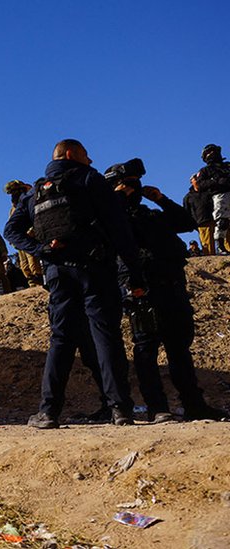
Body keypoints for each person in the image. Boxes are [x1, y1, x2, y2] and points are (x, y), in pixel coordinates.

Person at [4, 139, 144, 429]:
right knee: (105, 336)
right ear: (70, 155)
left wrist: (41, 250)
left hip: (57, 273)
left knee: (61, 340)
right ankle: (120, 409)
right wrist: (134, 272)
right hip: (94, 269)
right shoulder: (89, 179)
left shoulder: (35, 192)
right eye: (85, 155)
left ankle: (48, 412)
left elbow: (11, 230)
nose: (91, 160)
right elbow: (119, 229)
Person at [106, 160, 228, 422]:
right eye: (127, 184)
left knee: (179, 349)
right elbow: (110, 230)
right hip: (141, 290)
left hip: (172, 287)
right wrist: (117, 198)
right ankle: (157, 407)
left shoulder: (150, 215)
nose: (132, 189)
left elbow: (187, 222)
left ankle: (194, 404)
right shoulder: (111, 218)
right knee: (147, 350)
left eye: (134, 184)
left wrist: (161, 199)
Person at [4, 180, 45, 287]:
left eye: (15, 192)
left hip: (31, 238)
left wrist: (31, 231)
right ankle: (31, 282)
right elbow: (11, 226)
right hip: (20, 241)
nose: (13, 196)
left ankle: (39, 281)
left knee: (33, 261)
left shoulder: (31, 200)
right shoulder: (13, 209)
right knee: (24, 264)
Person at [193, 144, 230, 254]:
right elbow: (199, 184)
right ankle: (220, 246)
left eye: (213, 151)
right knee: (222, 221)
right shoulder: (205, 170)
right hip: (220, 195)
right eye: (208, 152)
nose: (212, 154)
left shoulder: (227, 166)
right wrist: (216, 181)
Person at [183, 176, 216, 255]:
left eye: (199, 179)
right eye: (195, 179)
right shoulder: (188, 197)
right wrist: (190, 224)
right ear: (191, 182)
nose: (198, 181)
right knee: (206, 244)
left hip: (212, 219)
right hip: (200, 222)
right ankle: (210, 260)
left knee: (219, 238)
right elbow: (186, 211)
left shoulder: (208, 192)